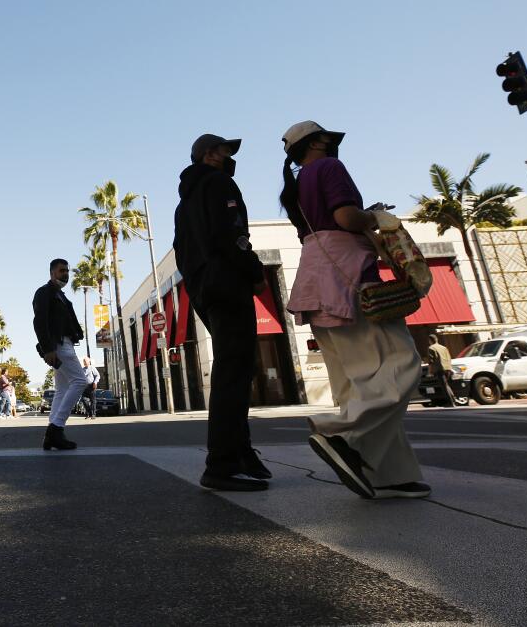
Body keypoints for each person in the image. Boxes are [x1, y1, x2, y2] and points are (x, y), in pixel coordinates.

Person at [281, 120, 429, 500]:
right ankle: (342, 436)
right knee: (402, 365)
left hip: (316, 278)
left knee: (356, 382)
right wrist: (373, 218)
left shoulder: (296, 185)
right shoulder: (329, 167)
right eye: (328, 139)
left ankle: (388, 473)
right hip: (349, 277)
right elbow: (347, 218)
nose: (333, 144)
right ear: (319, 143)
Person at [173, 134, 271, 492]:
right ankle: (222, 464)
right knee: (235, 370)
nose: (230, 156)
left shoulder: (184, 203)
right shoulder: (219, 183)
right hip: (228, 284)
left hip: (205, 288)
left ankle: (241, 453)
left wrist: (200, 285)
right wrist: (255, 272)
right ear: (210, 155)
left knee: (233, 368)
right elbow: (233, 235)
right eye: (226, 150)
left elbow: (182, 253)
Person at [32, 258, 88, 450]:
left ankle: (51, 433)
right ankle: (56, 428)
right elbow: (39, 321)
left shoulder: (61, 295)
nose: (65, 274)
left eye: (67, 271)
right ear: (52, 272)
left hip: (66, 343)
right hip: (58, 345)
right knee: (80, 381)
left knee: (63, 389)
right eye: (61, 271)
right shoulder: (44, 292)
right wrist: (48, 348)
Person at [426, 334, 457, 406]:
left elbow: (431, 361)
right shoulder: (444, 347)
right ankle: (453, 400)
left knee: (444, 386)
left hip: (440, 369)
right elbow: (449, 357)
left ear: (430, 341)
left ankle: (451, 403)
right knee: (446, 385)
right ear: (437, 339)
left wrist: (429, 372)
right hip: (448, 368)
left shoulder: (431, 348)